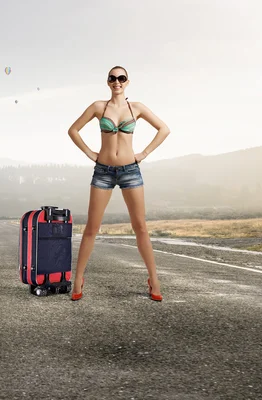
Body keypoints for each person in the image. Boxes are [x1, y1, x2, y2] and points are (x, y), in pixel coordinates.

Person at [67, 66, 170, 302]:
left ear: (127, 82)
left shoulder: (137, 108)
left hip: (130, 171)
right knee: (92, 228)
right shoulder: (98, 107)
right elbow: (73, 130)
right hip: (103, 171)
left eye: (121, 78)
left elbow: (164, 129)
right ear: (107, 82)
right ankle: (78, 279)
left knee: (140, 226)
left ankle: (154, 280)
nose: (117, 82)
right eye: (113, 78)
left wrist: (143, 153)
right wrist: (88, 152)